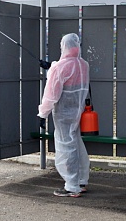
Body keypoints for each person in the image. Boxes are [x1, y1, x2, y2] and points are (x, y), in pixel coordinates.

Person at [38, 33, 90, 198]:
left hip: (62, 112)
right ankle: (81, 181)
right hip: (77, 110)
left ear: (64, 46)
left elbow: (51, 94)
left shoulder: (59, 68)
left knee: (66, 147)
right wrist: (52, 67)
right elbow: (70, 74)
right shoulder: (83, 65)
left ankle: (72, 186)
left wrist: (43, 113)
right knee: (76, 144)